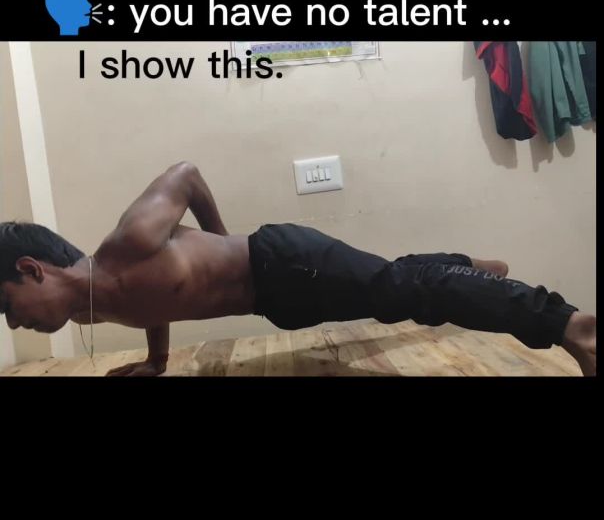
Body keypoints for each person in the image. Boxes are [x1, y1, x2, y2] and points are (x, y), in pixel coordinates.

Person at [0, 162, 596, 377]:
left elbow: (184, 173)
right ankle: (471, 268)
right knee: (394, 287)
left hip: (284, 260)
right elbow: (154, 303)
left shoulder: (127, 243)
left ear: (33, 269)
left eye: (6, 305)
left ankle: (570, 325)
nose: (12, 323)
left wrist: (223, 240)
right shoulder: (94, 306)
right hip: (281, 300)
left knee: (404, 291)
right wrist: (157, 361)